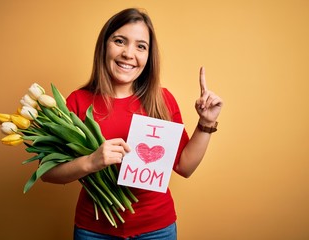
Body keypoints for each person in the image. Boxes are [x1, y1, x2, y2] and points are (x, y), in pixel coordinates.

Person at [41, 8, 223, 240]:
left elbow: (185, 167)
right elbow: (48, 173)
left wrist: (206, 123)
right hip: (94, 230)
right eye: (119, 41)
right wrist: (90, 161)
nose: (129, 53)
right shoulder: (78, 101)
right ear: (104, 46)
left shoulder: (162, 100)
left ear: (148, 56)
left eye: (140, 46)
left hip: (157, 229)